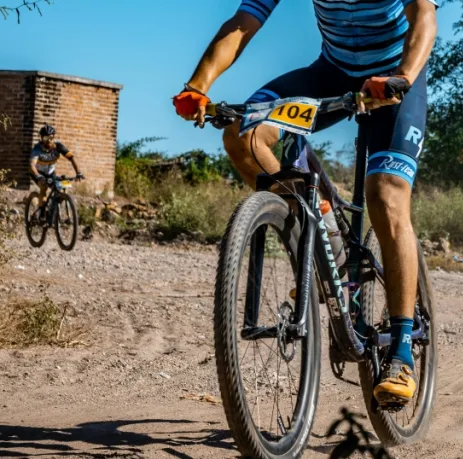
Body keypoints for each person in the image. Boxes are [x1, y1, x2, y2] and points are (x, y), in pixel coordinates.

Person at [173, 0, 438, 406]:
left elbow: (424, 17)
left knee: (385, 196)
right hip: (331, 74)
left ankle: (401, 349)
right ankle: (320, 232)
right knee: (242, 136)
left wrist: (401, 76)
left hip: (395, 75)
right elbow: (243, 24)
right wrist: (198, 85)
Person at [30, 124, 82, 221]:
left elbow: (71, 158)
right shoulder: (37, 148)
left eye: (51, 137)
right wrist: (38, 176)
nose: (48, 140)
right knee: (43, 186)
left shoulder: (58, 146)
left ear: (53, 137)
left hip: (50, 172)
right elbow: (32, 164)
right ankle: (41, 212)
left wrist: (78, 172)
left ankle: (53, 211)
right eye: (46, 138)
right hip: (37, 172)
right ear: (41, 138)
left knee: (60, 189)